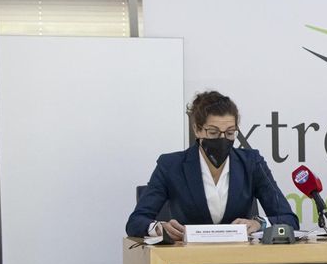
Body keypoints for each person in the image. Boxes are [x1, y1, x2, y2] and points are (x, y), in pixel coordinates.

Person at [125, 91, 299, 241]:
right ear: (197, 130)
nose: (222, 138)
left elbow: (289, 220)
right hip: (185, 261)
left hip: (242, 260)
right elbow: (136, 222)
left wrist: (258, 224)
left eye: (230, 132)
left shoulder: (251, 163)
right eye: (213, 132)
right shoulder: (171, 165)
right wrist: (158, 228)